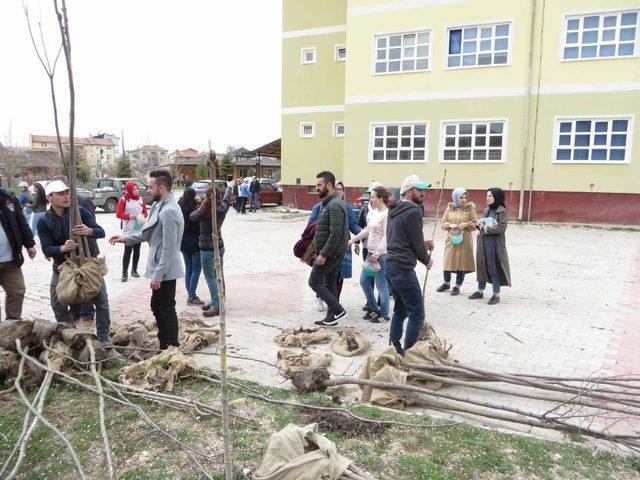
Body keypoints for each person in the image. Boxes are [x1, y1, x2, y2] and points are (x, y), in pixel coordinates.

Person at [109, 170, 184, 349]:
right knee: (158, 306)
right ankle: (164, 342)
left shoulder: (169, 211)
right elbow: (149, 233)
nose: (147, 190)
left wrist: (158, 276)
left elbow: (169, 248)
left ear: (162, 187)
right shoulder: (159, 206)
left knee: (165, 309)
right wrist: (126, 239)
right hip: (160, 267)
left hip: (165, 269)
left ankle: (170, 346)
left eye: (150, 187)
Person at [37, 180, 112, 347]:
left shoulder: (80, 212)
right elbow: (47, 248)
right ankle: (69, 334)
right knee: (57, 301)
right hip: (63, 268)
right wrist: (63, 248)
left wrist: (88, 231)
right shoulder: (44, 221)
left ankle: (104, 337)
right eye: (61, 194)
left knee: (101, 301)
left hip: (88, 264)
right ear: (50, 197)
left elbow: (101, 231)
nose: (66, 197)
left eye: (67, 192)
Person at [386, 175, 433, 354]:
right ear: (408, 191)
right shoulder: (413, 211)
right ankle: (409, 355)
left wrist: (423, 244)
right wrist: (426, 259)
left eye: (424, 190)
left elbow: (404, 238)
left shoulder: (395, 210)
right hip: (403, 269)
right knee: (417, 314)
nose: (423, 193)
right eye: (419, 190)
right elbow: (415, 244)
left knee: (401, 310)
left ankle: (394, 349)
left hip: (390, 266)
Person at [308, 171, 349, 327]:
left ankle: (338, 310)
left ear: (329, 185)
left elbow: (336, 233)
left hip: (331, 254)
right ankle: (331, 318)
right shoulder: (329, 203)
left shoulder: (335, 205)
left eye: (319, 185)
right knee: (330, 283)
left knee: (314, 281)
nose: (316, 188)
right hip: (332, 253)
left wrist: (324, 253)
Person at [190, 184, 232, 317]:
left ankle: (216, 305)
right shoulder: (222, 209)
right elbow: (226, 200)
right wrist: (229, 188)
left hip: (207, 249)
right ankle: (219, 300)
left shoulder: (202, 211)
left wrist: (201, 203)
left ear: (206, 197)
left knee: (210, 276)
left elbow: (192, 216)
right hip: (219, 246)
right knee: (219, 274)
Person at [349, 185, 390, 322]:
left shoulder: (386, 214)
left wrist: (378, 253)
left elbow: (386, 236)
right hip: (370, 254)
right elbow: (366, 231)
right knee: (364, 281)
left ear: (381, 198)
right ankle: (374, 308)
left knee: (381, 285)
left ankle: (384, 314)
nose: (370, 200)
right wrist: (352, 241)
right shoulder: (375, 213)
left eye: (372, 197)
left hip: (379, 256)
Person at [468, 188, 511, 305]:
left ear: (497, 198)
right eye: (487, 195)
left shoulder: (503, 211)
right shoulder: (487, 210)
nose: (487, 198)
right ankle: (480, 291)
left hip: (495, 244)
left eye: (490, 196)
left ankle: (496, 294)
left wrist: (485, 228)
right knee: (482, 265)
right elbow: (484, 223)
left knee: (494, 267)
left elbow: (501, 228)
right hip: (483, 242)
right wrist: (479, 225)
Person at [0, 187, 36, 321]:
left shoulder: (9, 199)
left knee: (17, 291)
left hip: (11, 260)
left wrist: (30, 245)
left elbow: (22, 223)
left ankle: (12, 325)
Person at [437, 188, 478, 296]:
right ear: (456, 197)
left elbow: (475, 224)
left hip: (465, 240)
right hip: (452, 239)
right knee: (447, 261)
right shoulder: (450, 208)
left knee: (462, 263)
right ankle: (446, 283)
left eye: (465, 197)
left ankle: (457, 286)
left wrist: (466, 225)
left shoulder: (470, 208)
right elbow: (443, 223)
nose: (463, 200)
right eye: (461, 197)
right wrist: (450, 225)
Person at [116, 181, 148, 282]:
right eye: (134, 189)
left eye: (137, 188)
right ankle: (124, 273)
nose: (136, 190)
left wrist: (142, 216)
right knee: (128, 250)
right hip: (128, 229)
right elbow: (118, 214)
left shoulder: (140, 200)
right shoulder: (124, 199)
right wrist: (130, 216)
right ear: (129, 190)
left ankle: (134, 270)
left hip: (138, 227)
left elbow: (145, 212)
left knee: (137, 250)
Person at [334, 182, 361, 299]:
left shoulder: (348, 208)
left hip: (343, 246)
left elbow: (354, 226)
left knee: (340, 274)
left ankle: (335, 301)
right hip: (327, 246)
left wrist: (362, 235)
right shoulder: (320, 206)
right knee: (324, 274)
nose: (339, 191)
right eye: (336, 189)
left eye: (341, 189)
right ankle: (319, 296)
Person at [179, 187, 204, 306]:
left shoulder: (180, 208)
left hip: (183, 242)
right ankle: (192, 295)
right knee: (196, 270)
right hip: (195, 242)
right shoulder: (195, 211)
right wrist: (200, 202)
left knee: (188, 269)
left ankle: (190, 293)